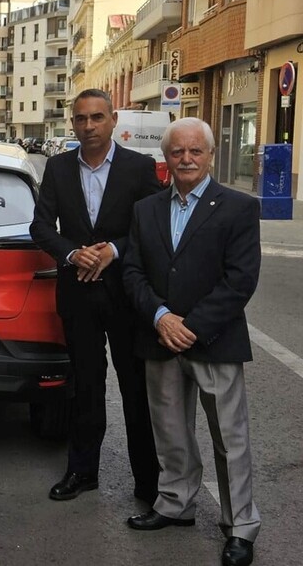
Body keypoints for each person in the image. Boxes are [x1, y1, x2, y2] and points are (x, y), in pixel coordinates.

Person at [123, 118, 261, 566]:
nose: (186, 159)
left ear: (210, 155)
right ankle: (175, 503)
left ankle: (240, 526)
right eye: (177, 151)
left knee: (230, 438)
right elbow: (133, 272)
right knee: (171, 431)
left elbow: (240, 280)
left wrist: (193, 327)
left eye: (195, 151)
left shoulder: (238, 207)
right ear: (165, 158)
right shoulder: (146, 209)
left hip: (214, 341)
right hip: (160, 337)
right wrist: (161, 317)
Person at [30, 88, 160, 504]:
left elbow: (152, 228)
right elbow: (40, 227)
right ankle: (82, 472)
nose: (89, 126)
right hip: (78, 295)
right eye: (81, 119)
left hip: (126, 295)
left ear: (113, 120)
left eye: (97, 118)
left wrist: (113, 249)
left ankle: (148, 482)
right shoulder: (58, 167)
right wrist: (71, 252)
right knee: (84, 387)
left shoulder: (139, 168)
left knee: (135, 388)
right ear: (72, 123)